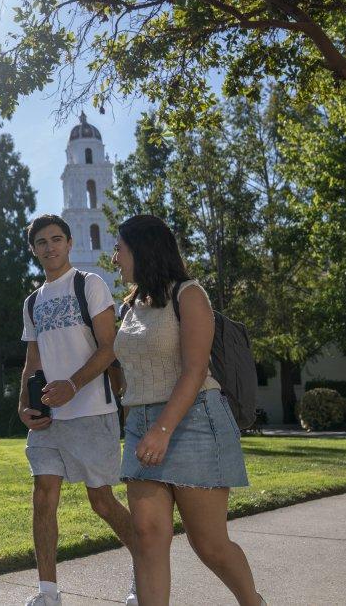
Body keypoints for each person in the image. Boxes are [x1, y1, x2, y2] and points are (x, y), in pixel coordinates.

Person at [112, 214, 265, 606]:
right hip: (142, 426)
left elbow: (195, 370)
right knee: (147, 536)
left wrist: (162, 430)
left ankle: (253, 602)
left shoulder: (189, 294)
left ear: (143, 250)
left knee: (209, 543)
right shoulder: (131, 306)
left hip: (194, 421)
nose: (115, 259)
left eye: (120, 249)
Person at [19, 214, 137, 606]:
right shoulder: (33, 301)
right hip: (49, 420)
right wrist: (24, 404)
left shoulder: (90, 285)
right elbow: (32, 358)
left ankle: (145, 573)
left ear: (69, 243)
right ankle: (48, 593)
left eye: (56, 239)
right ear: (34, 249)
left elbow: (109, 348)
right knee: (43, 496)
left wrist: (72, 385)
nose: (49, 247)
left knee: (101, 501)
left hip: (92, 410)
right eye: (41, 242)